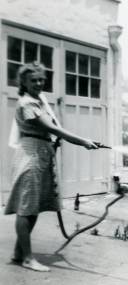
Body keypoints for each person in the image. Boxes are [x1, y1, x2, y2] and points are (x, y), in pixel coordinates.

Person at [5, 62, 98, 272]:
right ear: (24, 82)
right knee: (26, 208)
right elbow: (53, 129)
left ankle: (19, 253)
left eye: (41, 80)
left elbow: (51, 129)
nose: (39, 83)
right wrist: (82, 141)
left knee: (32, 207)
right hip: (31, 155)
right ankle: (27, 258)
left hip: (40, 153)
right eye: (34, 80)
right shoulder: (27, 103)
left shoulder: (38, 101)